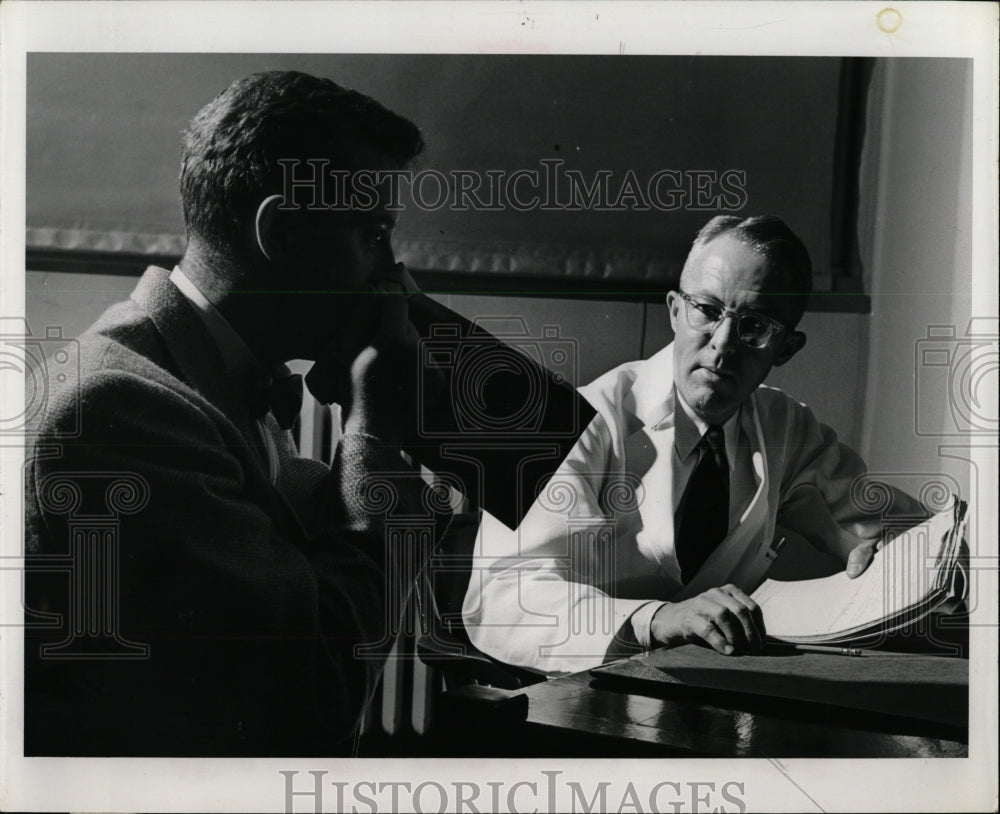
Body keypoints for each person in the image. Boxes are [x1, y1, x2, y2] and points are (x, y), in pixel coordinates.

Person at [23, 70, 449, 756]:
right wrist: (372, 434)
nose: (392, 271)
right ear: (278, 230)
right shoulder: (122, 410)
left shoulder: (203, 371)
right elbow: (309, 699)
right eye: (372, 233)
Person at [462, 214, 928, 676]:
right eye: (706, 309)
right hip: (572, 687)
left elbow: (901, 529)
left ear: (785, 349)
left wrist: (895, 557)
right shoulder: (570, 421)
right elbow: (504, 597)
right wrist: (656, 619)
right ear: (674, 310)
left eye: (755, 326)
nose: (722, 345)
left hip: (708, 688)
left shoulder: (785, 426)